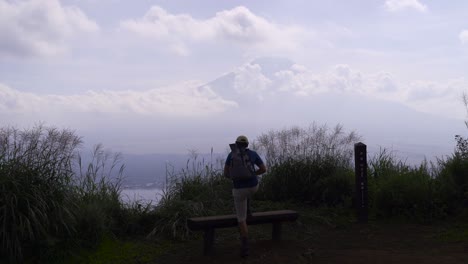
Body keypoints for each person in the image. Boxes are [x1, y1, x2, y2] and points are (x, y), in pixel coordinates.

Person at [224, 135, 267, 257]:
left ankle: (245, 246)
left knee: (241, 219)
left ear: (236, 144)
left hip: (239, 190)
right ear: (247, 145)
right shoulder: (253, 154)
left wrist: (234, 177)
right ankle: (248, 209)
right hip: (253, 187)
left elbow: (225, 173)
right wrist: (253, 174)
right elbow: (264, 169)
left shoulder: (231, 155)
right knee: (249, 192)